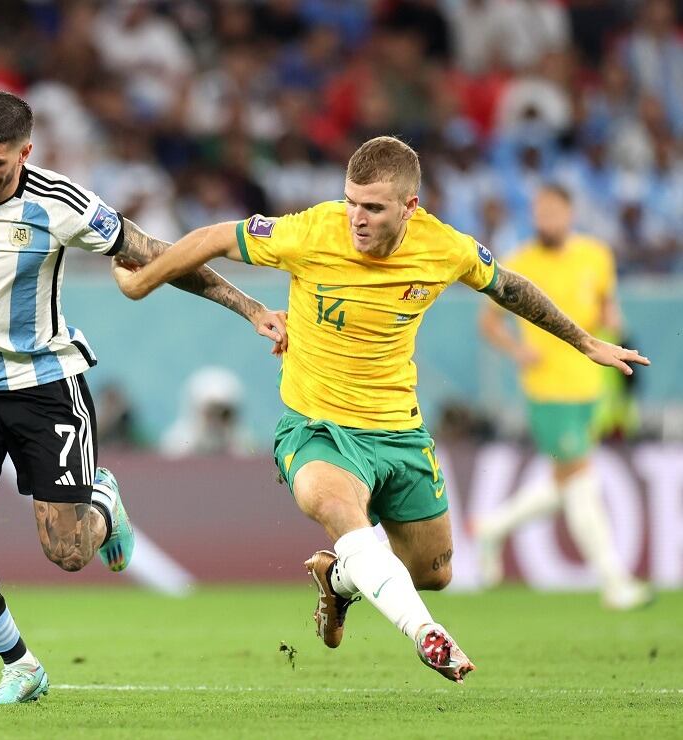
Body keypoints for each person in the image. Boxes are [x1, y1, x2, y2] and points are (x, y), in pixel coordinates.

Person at [112, 136, 650, 683]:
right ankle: (428, 635)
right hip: (315, 426)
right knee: (334, 506)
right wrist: (142, 284)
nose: (356, 218)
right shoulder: (312, 230)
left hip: (398, 431)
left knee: (433, 570)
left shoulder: (444, 247)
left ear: (409, 208)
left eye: (373, 207)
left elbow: (508, 288)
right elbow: (210, 237)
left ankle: (339, 580)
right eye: (351, 201)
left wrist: (584, 341)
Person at [0, 91, 286, 705]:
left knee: (69, 552)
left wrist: (252, 308)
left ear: (25, 153)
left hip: (43, 388)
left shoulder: (60, 203)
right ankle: (21, 667)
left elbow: (159, 257)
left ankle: (101, 494)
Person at [475, 184, 652, 610]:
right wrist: (520, 351)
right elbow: (489, 323)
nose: (546, 220)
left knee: (567, 482)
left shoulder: (596, 256)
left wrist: (614, 325)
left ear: (570, 213)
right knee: (580, 477)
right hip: (548, 390)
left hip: (590, 387)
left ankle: (492, 528)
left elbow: (608, 307)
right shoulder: (520, 264)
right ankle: (614, 581)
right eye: (540, 212)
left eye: (554, 212)